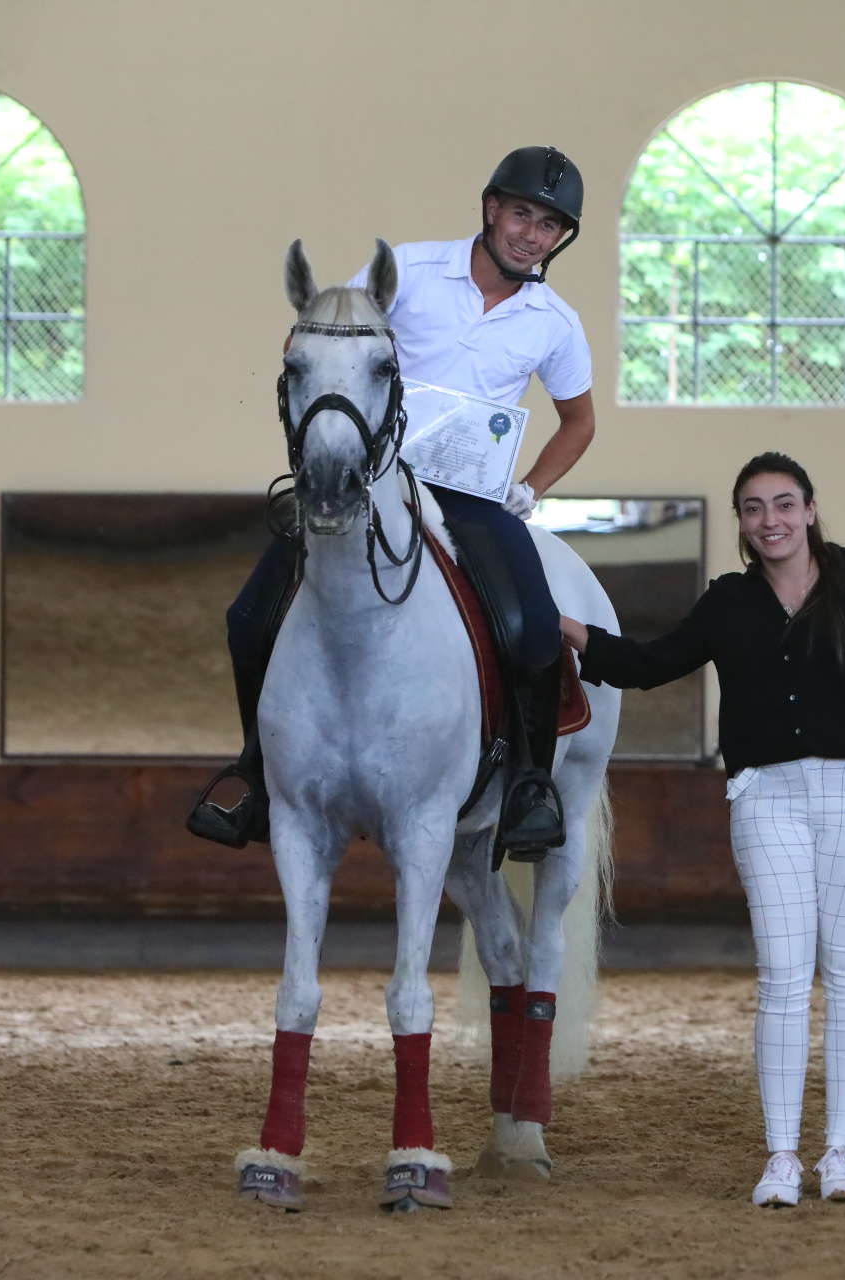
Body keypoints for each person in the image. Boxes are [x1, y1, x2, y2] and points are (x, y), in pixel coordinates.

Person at [561, 452, 845, 1208]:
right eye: (753, 508)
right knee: (782, 978)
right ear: (742, 523)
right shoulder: (729, 601)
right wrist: (559, 626)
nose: (770, 520)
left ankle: (841, 1154)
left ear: (810, 510)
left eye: (784, 504)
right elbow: (648, 664)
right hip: (767, 798)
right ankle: (782, 1156)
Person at [189, 145, 595, 857]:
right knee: (247, 618)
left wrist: (529, 488)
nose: (531, 235)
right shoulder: (409, 269)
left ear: (560, 238)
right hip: (368, 485)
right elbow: (312, 335)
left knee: (535, 628)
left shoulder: (556, 322)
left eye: (549, 226)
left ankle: (529, 785)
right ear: (491, 208)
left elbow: (579, 422)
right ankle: (256, 774)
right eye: (521, 215)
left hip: (470, 496)